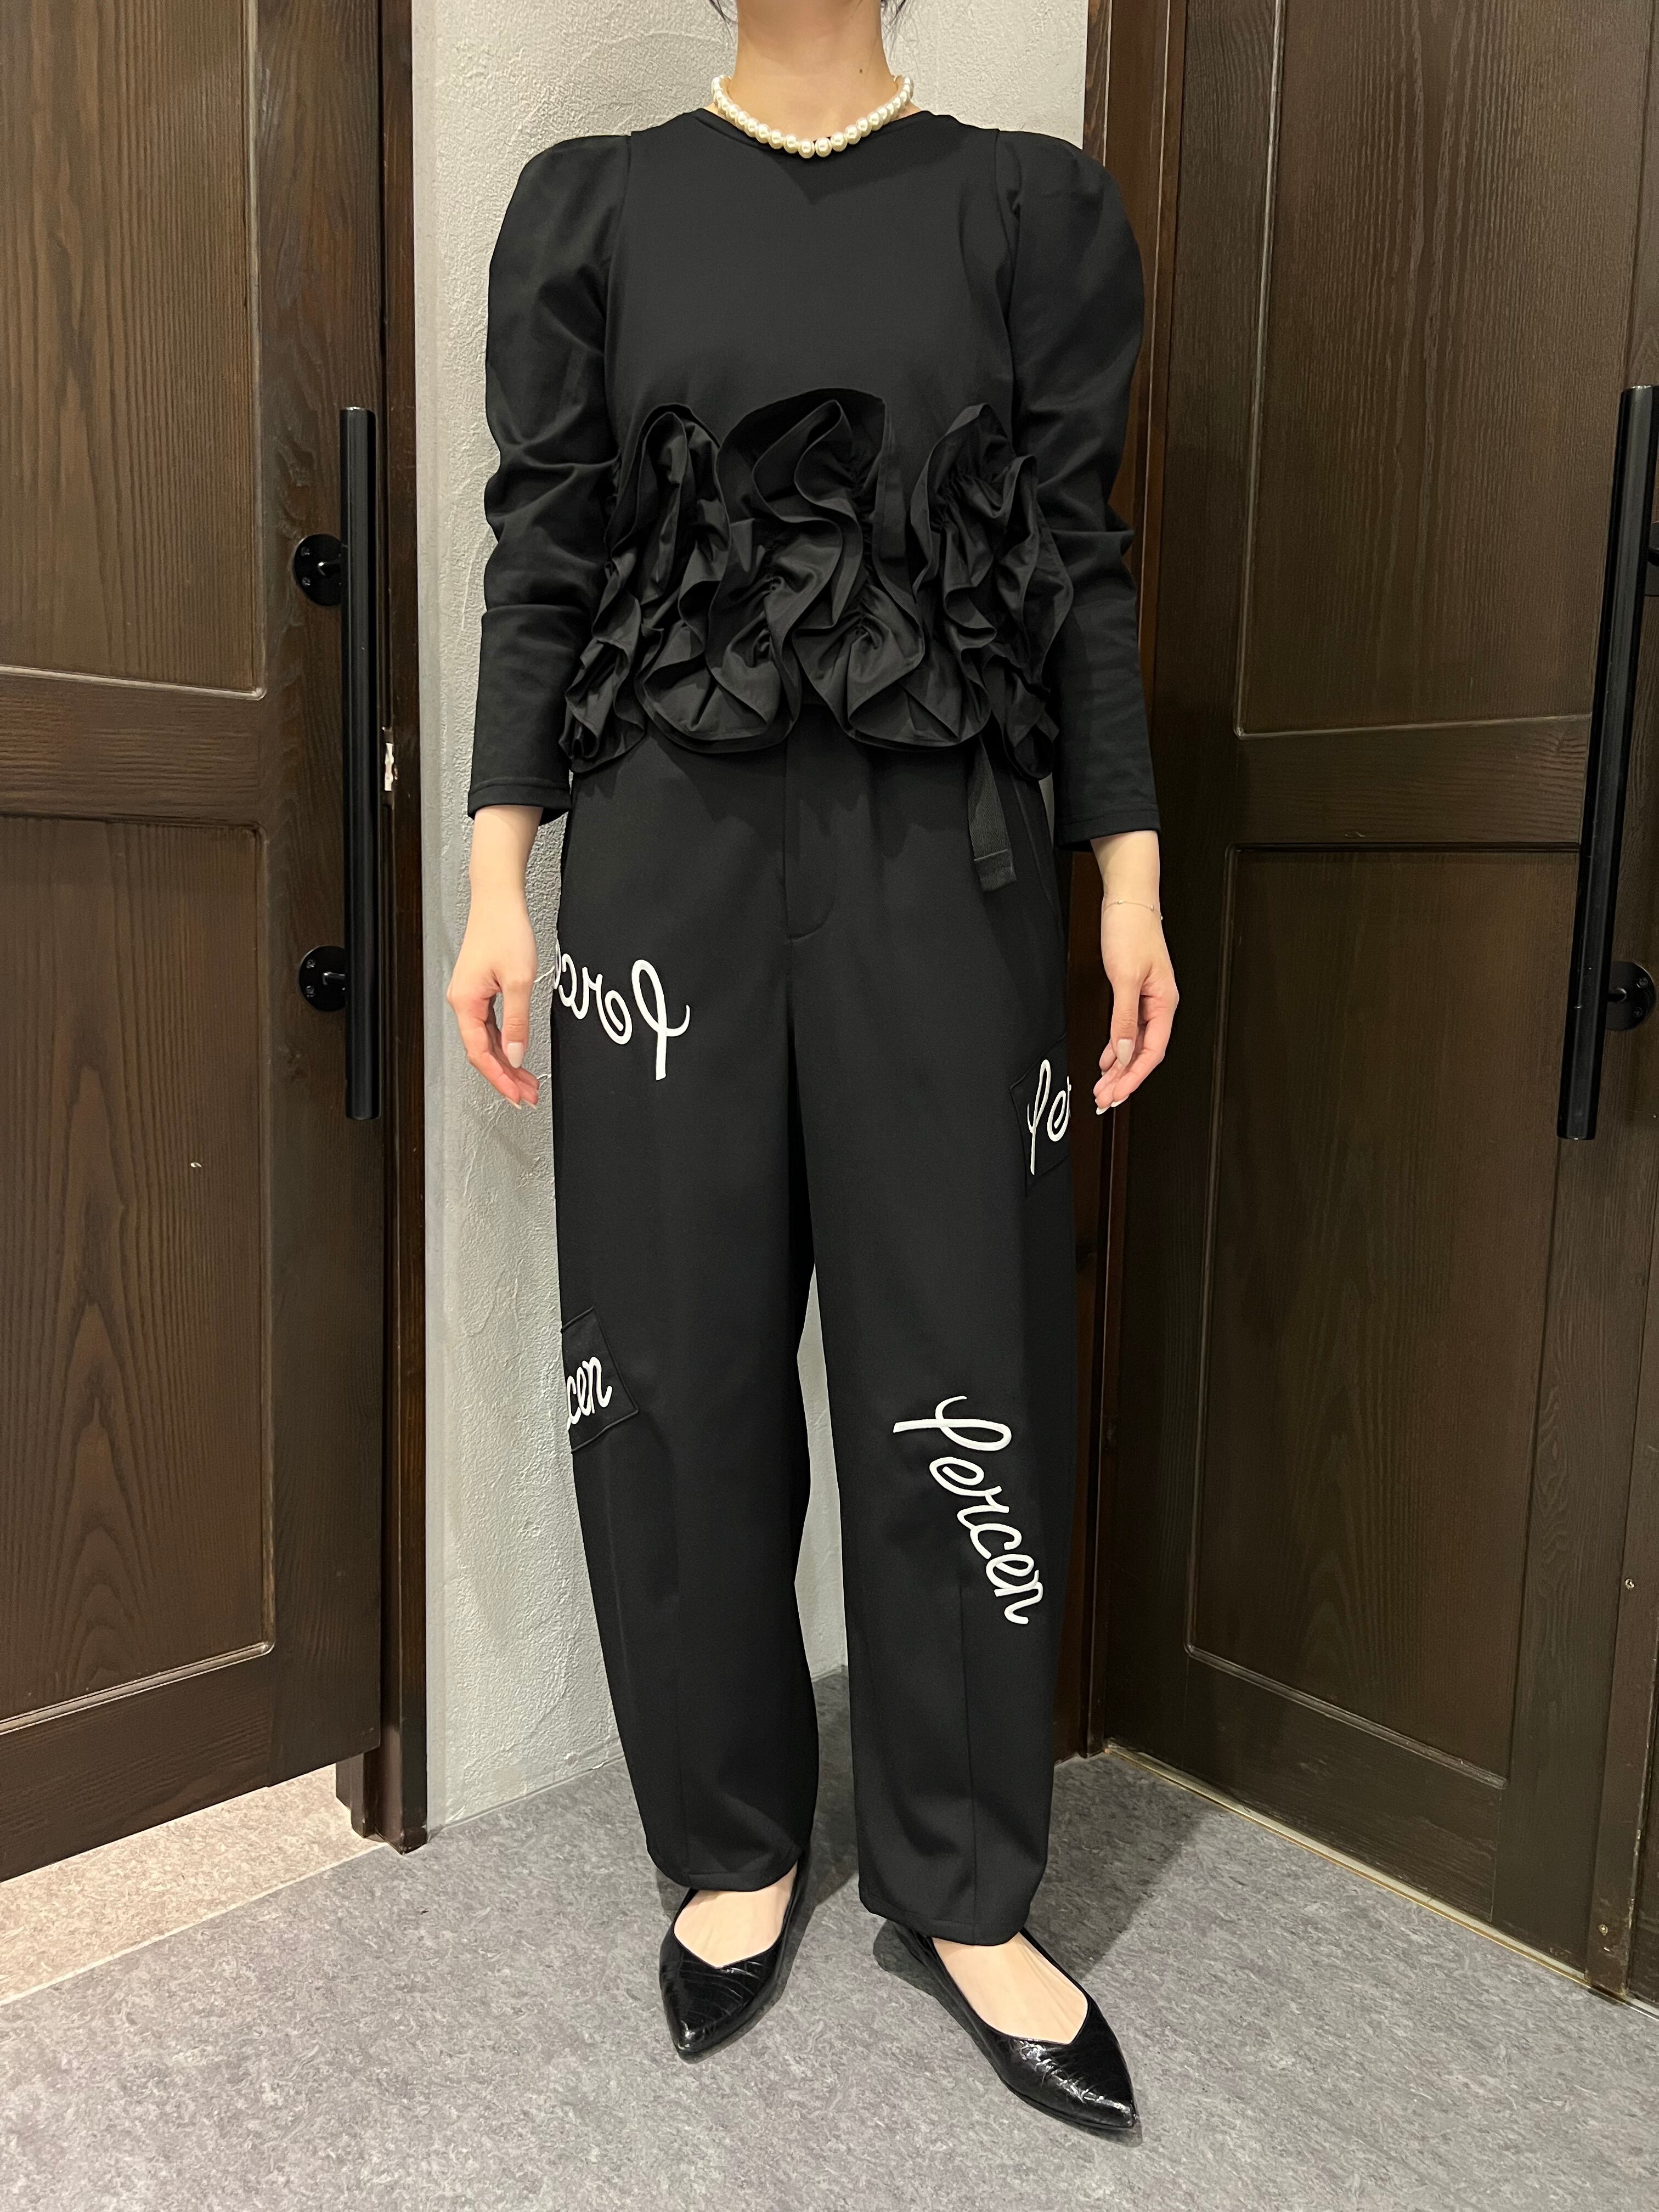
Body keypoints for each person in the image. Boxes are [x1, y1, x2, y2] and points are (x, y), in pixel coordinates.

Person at [447, 0, 1177, 2137]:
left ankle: (966, 1877)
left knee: (963, 1343)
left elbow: (1079, 563)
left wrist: (1129, 871)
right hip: (663, 861)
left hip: (948, 859)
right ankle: (732, 1838)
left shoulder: (1026, 213)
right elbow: (545, 550)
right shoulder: (599, 213)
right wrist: (495, 875)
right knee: (666, 1352)